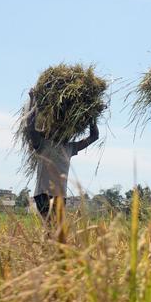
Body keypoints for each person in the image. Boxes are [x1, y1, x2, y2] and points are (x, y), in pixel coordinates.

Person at [24, 89, 99, 221]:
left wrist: (92, 116)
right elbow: (30, 126)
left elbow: (94, 136)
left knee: (56, 231)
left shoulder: (69, 147)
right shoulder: (42, 144)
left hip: (60, 196)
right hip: (43, 194)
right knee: (51, 228)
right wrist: (34, 101)